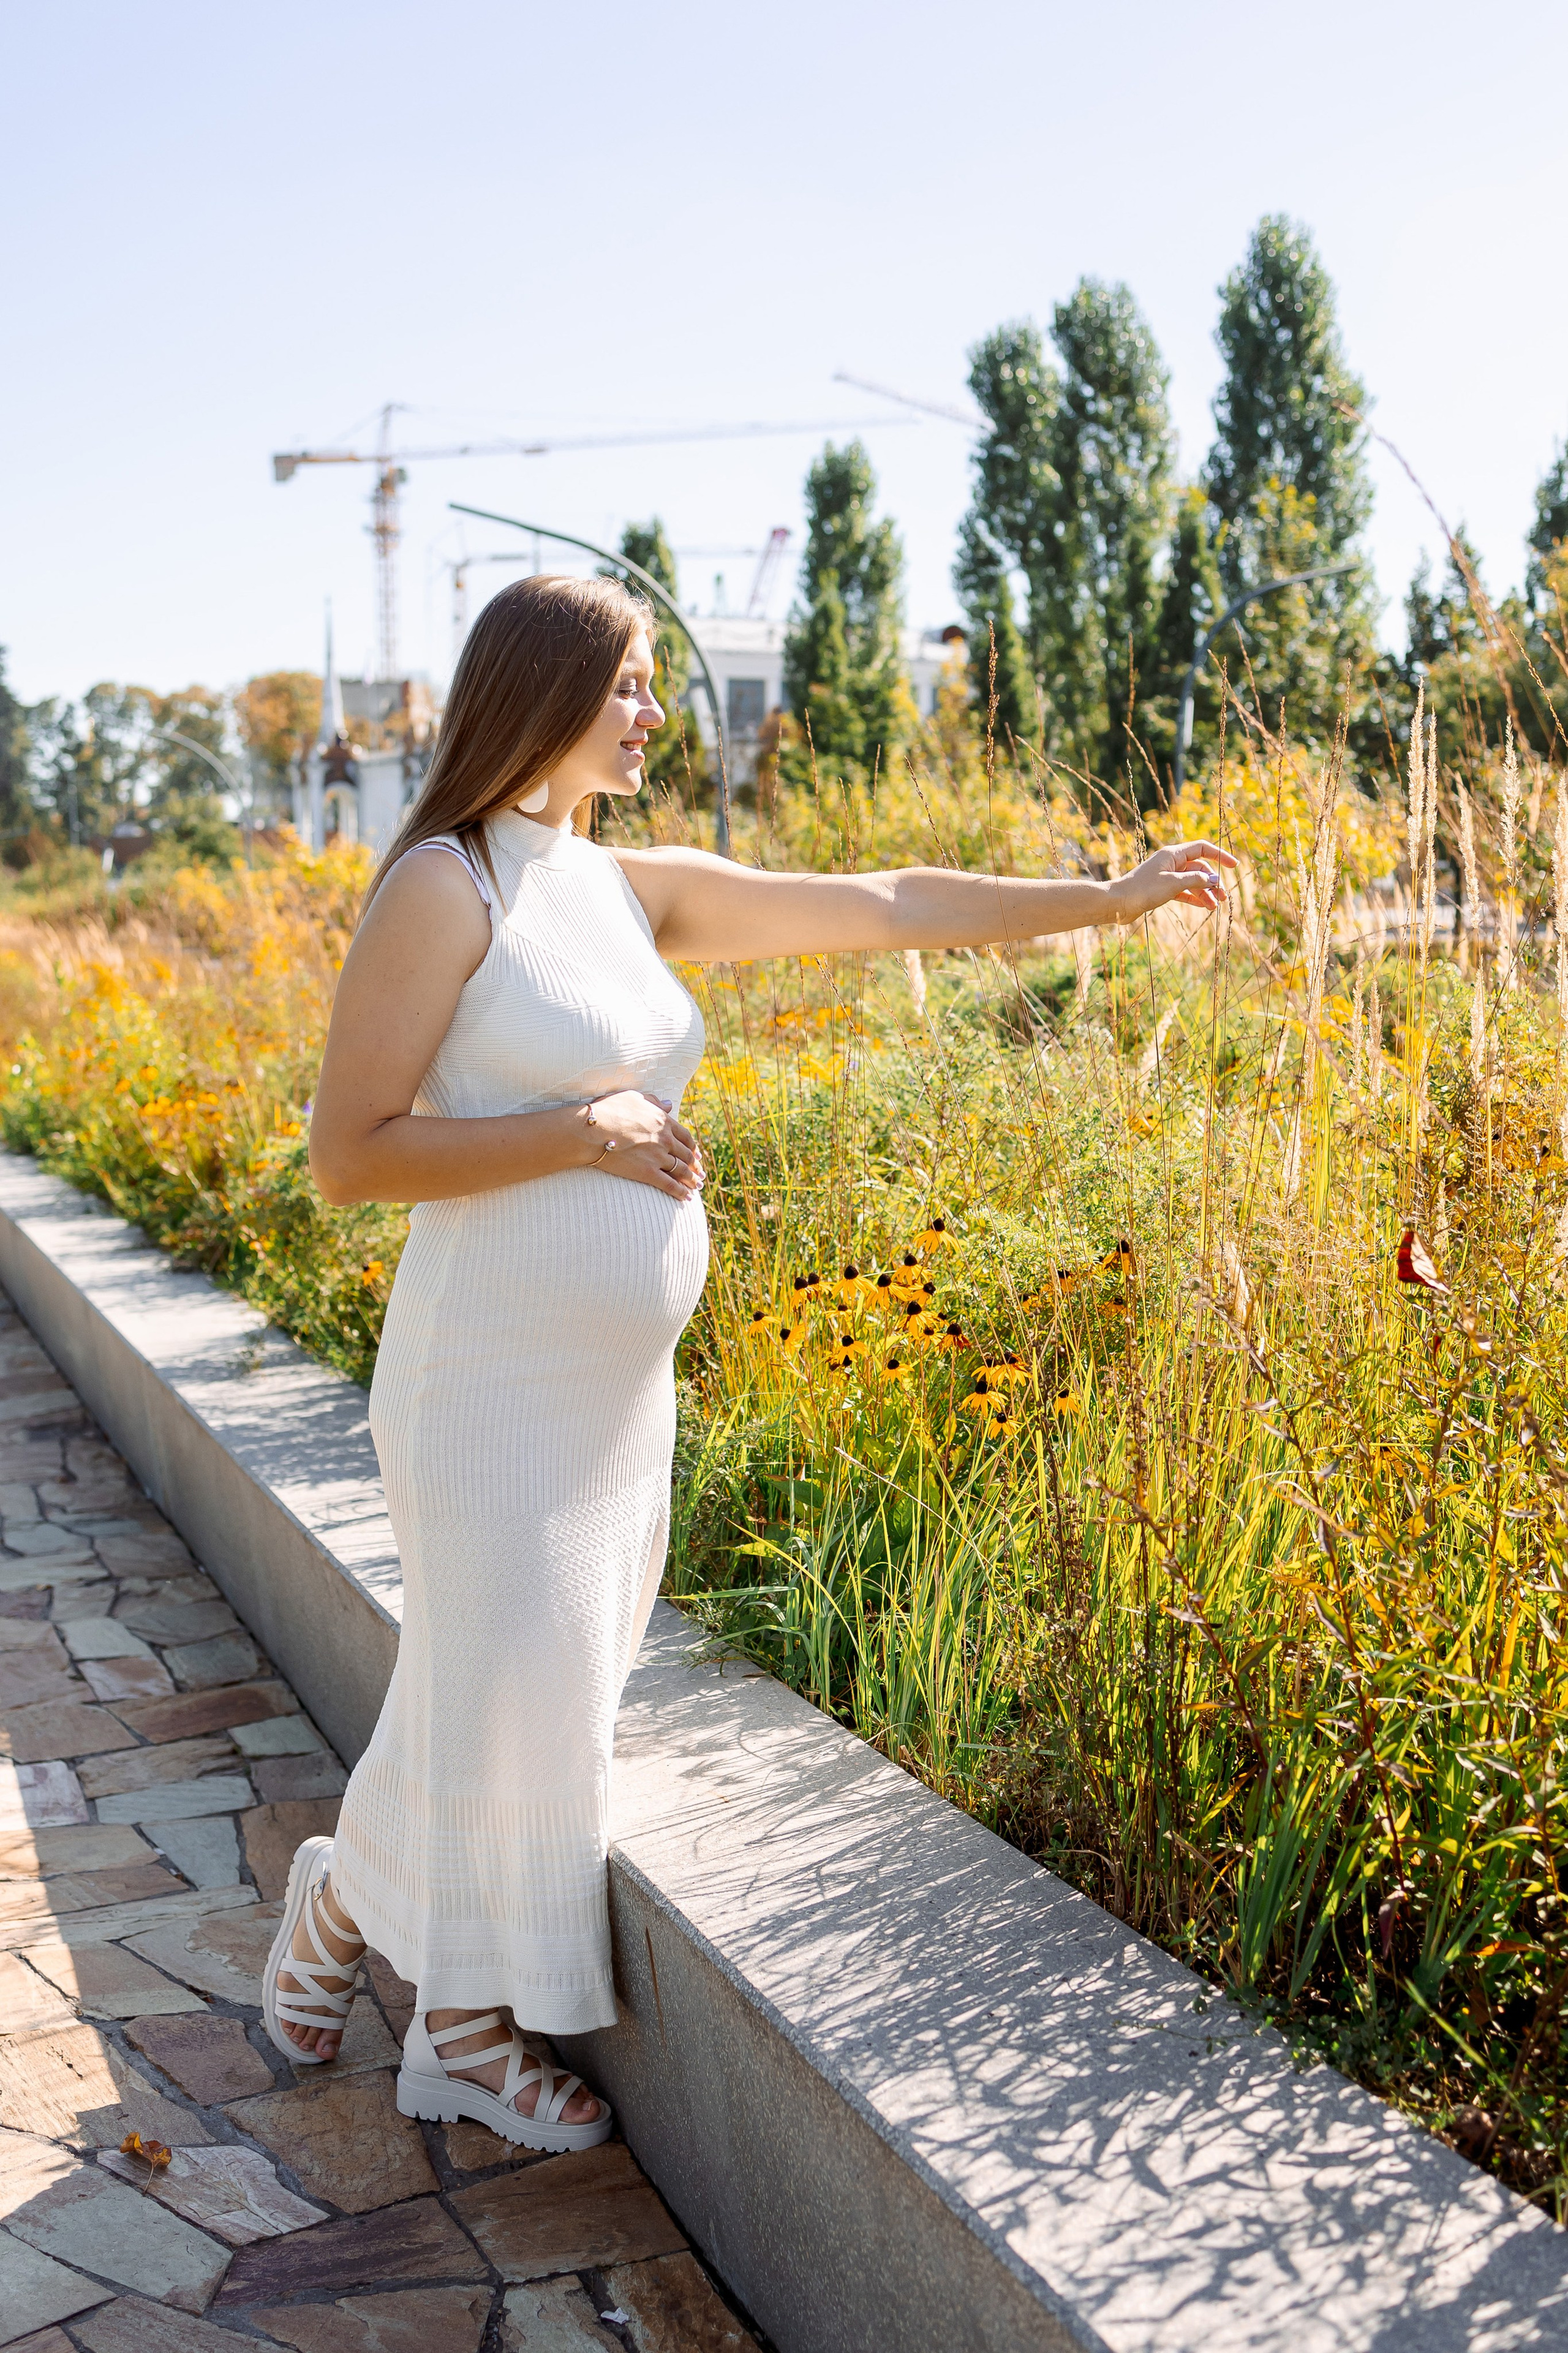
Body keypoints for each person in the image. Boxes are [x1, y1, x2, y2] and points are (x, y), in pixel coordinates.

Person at [261, 572, 1233, 2150]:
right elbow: (348, 1154)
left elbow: (887, 901)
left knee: (536, 1689)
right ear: (544, 692)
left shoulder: (621, 884)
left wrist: (1105, 897)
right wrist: (584, 1128)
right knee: (503, 1684)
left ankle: (343, 1901)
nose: (655, 713)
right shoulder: (447, 886)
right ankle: (460, 2031)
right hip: (484, 1380)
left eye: (651, 683)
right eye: (631, 683)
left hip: (609, 1396)